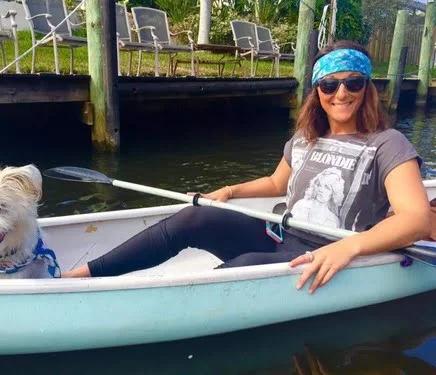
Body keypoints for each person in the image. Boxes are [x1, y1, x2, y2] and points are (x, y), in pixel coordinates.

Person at [63, 41, 431, 294]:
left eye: (353, 82)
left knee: (247, 263)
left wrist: (349, 249)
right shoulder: (306, 137)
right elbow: (277, 183)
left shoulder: (387, 143)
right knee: (196, 216)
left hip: (332, 253)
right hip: (285, 235)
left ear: (367, 88)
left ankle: (173, 308)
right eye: (329, 84)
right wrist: (230, 192)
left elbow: (415, 219)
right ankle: (80, 276)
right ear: (317, 91)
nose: (341, 93)